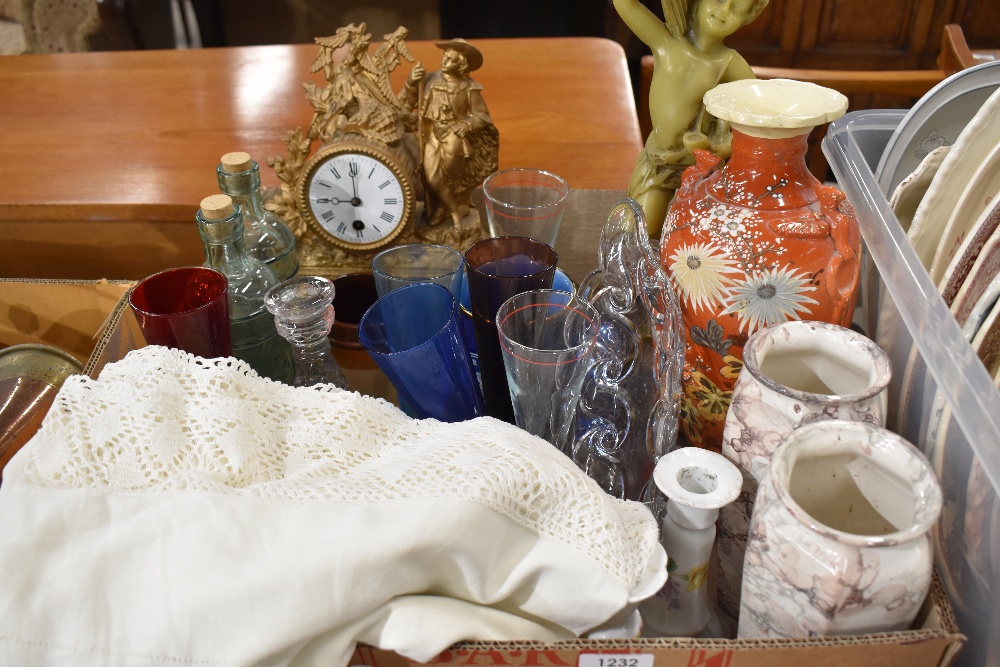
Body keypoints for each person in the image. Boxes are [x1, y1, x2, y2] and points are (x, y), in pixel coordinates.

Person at [614, 0, 768, 238]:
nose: (724, 11)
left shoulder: (729, 63)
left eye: (737, 9)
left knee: (696, 242)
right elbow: (626, 5)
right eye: (718, 0)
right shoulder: (667, 42)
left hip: (703, 173)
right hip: (660, 164)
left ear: (748, 18)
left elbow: (761, 116)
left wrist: (720, 147)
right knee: (637, 232)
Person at [404, 39, 499, 228]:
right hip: (431, 135)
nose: (444, 61)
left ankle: (445, 209)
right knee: (431, 178)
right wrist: (411, 82)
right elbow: (410, 101)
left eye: (450, 59)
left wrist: (467, 125)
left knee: (452, 177)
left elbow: (482, 116)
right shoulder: (430, 79)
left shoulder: (468, 88)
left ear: (461, 64)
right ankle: (455, 211)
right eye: (444, 57)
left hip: (453, 136)